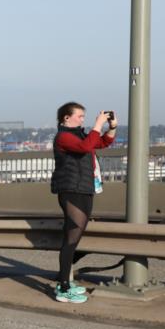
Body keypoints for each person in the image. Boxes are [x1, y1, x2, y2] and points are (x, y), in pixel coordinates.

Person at [50, 102, 117, 303]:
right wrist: (98, 124)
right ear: (66, 118)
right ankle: (63, 287)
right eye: (79, 116)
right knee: (71, 238)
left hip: (85, 188)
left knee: (75, 237)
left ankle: (66, 283)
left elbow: (102, 143)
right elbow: (85, 147)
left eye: (83, 116)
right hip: (71, 190)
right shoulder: (63, 136)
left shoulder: (80, 134)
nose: (82, 119)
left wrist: (111, 128)